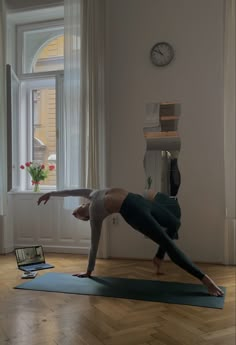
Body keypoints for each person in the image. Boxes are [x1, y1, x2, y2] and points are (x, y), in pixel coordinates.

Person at [37, 187, 224, 297]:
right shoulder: (95, 215)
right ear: (84, 217)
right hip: (134, 213)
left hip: (139, 200)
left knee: (175, 223)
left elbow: (71, 191)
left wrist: (51, 194)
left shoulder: (92, 193)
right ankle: (205, 280)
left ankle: (159, 257)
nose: (75, 213)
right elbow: (94, 244)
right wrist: (89, 271)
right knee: (168, 242)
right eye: (77, 216)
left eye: (76, 213)